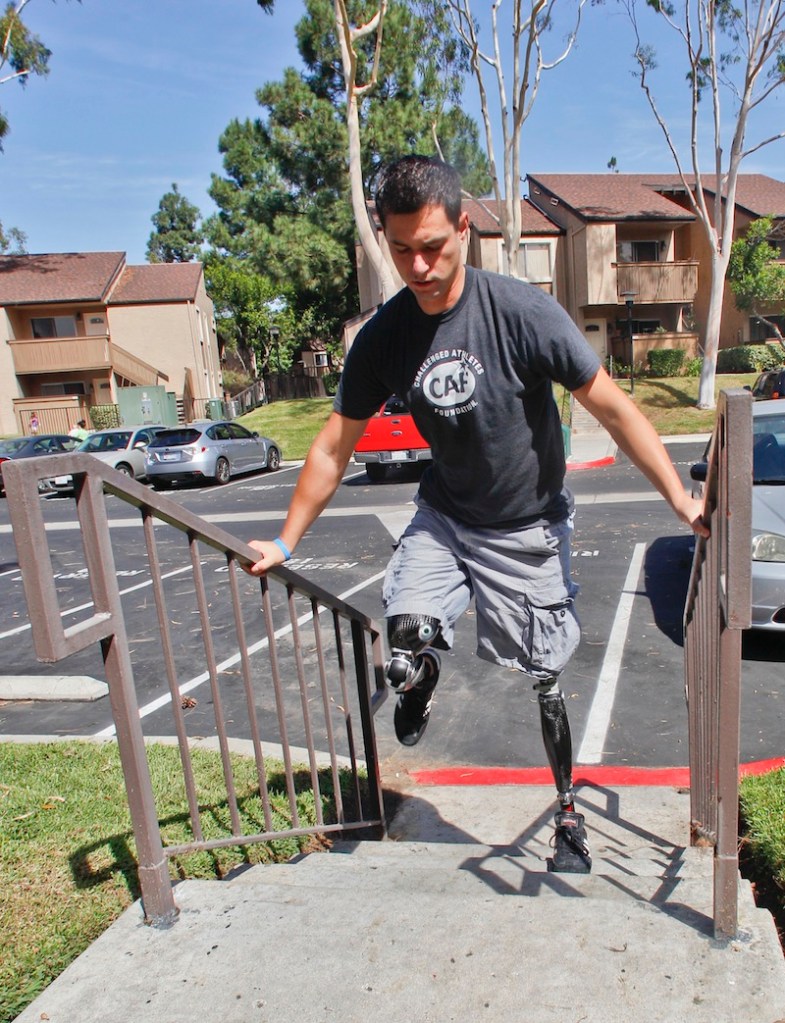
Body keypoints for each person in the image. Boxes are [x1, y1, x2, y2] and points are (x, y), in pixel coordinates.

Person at [245, 155, 708, 873]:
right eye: (401, 250)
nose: (419, 266)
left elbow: (612, 408)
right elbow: (335, 445)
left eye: (433, 246)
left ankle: (566, 817)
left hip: (527, 527)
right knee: (403, 628)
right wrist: (284, 539)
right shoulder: (384, 337)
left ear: (464, 226)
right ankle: (421, 670)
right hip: (446, 515)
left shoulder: (519, 312)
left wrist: (680, 498)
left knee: (544, 676)